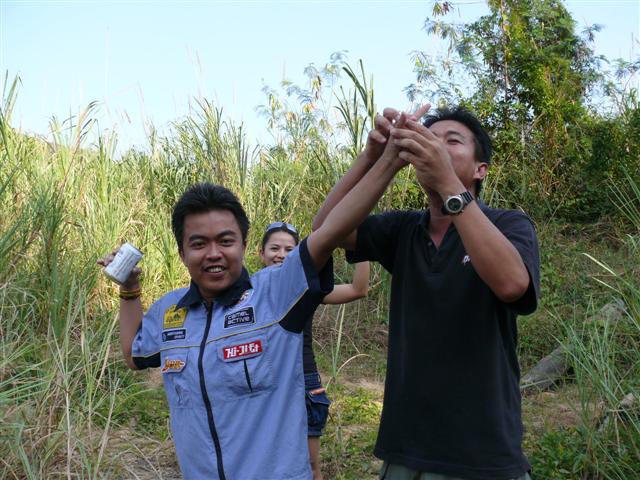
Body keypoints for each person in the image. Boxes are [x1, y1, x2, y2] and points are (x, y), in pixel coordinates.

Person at [313, 105, 540, 480]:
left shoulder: (507, 223)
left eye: (452, 141)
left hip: (482, 452)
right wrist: (376, 157)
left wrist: (448, 182)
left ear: (480, 169)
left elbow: (512, 284)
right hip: (406, 447)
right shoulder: (403, 229)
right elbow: (324, 231)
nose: (436, 146)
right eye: (430, 139)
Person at [97, 182, 378, 479]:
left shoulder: (276, 292)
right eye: (199, 244)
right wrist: (129, 289)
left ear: (244, 245)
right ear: (182, 253)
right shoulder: (170, 311)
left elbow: (331, 230)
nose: (213, 253)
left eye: (225, 241)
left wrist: (380, 160)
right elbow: (134, 354)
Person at [259, 221, 370, 480]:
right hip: (263, 384)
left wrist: (361, 241)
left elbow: (358, 289)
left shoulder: (307, 290)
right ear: (260, 253)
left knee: (309, 467)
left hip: (303, 383)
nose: (281, 254)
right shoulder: (248, 292)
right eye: (274, 248)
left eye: (289, 250)